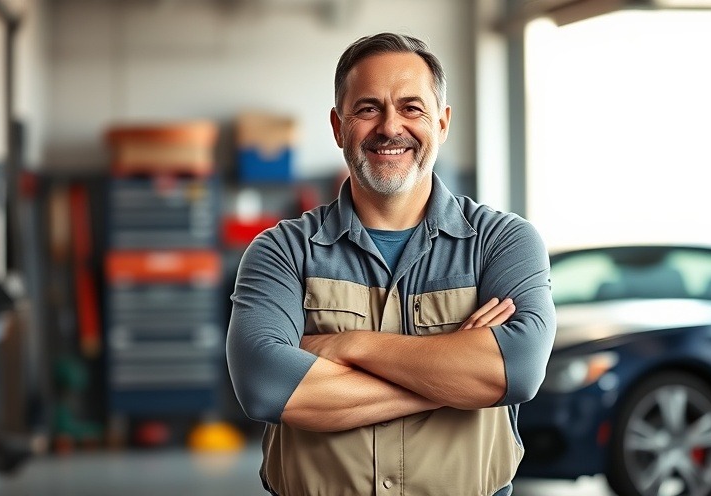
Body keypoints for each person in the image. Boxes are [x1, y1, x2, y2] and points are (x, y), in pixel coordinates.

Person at [226, 32, 556, 496]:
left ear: (442, 123)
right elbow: (265, 386)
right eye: (368, 109)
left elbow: (516, 369)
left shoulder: (501, 242)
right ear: (338, 126)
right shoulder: (282, 251)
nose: (389, 127)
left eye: (411, 108)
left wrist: (349, 346)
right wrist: (455, 379)